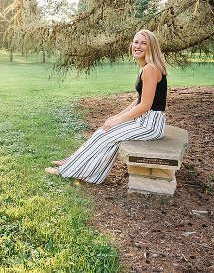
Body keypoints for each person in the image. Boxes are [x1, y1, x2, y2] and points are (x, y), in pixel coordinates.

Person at [45, 30, 168, 184]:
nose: (138, 46)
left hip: (150, 124)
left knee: (106, 135)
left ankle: (67, 170)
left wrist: (118, 121)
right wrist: (116, 117)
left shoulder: (150, 69)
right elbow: (138, 101)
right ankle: (73, 162)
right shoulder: (146, 67)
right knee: (103, 131)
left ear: (152, 47)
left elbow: (145, 105)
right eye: (136, 42)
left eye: (144, 43)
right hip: (144, 121)